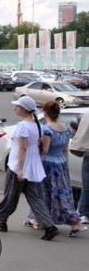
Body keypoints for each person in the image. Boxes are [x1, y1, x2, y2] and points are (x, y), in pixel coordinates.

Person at [0, 96, 59, 240]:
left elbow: (22, 149)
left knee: (11, 195)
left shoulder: (22, 126)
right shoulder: (36, 125)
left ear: (25, 109)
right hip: (33, 165)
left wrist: (20, 170)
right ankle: (49, 226)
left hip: (18, 165)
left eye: (18, 107)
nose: (15, 109)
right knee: (34, 197)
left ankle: (0, 219)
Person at [23, 101, 86, 237]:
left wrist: (35, 151)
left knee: (47, 193)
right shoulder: (66, 128)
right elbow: (65, 150)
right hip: (61, 163)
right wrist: (64, 165)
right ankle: (38, 219)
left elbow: (45, 151)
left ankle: (75, 223)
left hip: (48, 164)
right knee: (60, 193)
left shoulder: (47, 129)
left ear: (45, 112)